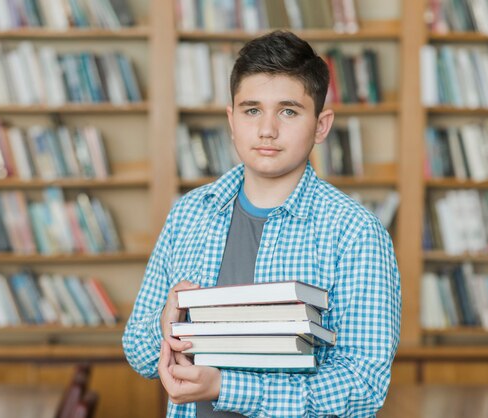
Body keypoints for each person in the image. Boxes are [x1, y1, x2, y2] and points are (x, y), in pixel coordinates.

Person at [123, 30, 401, 418]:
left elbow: (363, 385)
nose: (267, 129)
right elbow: (137, 351)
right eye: (252, 109)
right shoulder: (188, 214)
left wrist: (228, 387)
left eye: (288, 111)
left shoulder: (355, 232)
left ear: (321, 125)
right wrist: (164, 328)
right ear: (231, 119)